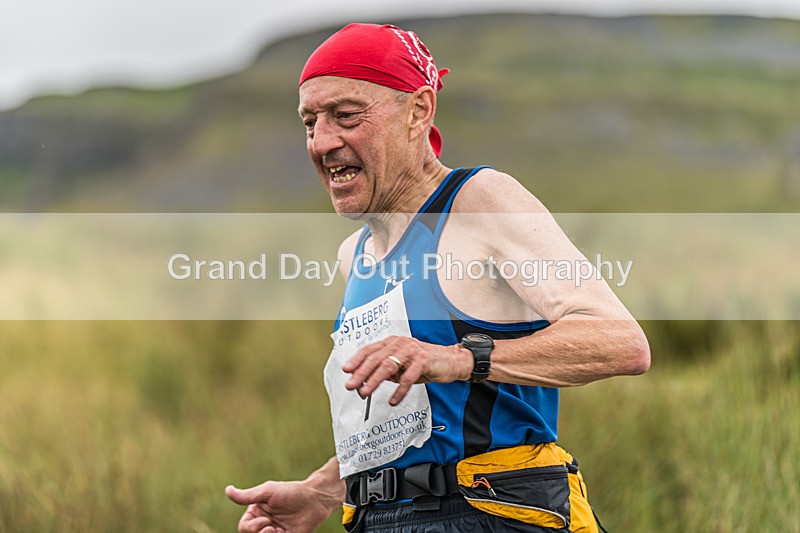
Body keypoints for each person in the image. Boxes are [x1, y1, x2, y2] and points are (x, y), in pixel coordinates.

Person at [226, 23, 650, 533]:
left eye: (345, 116)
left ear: (418, 110)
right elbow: (415, 421)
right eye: (310, 121)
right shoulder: (354, 255)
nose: (322, 142)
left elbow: (621, 343)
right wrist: (321, 492)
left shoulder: (479, 201)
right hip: (378, 518)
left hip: (495, 511)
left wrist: (455, 358)